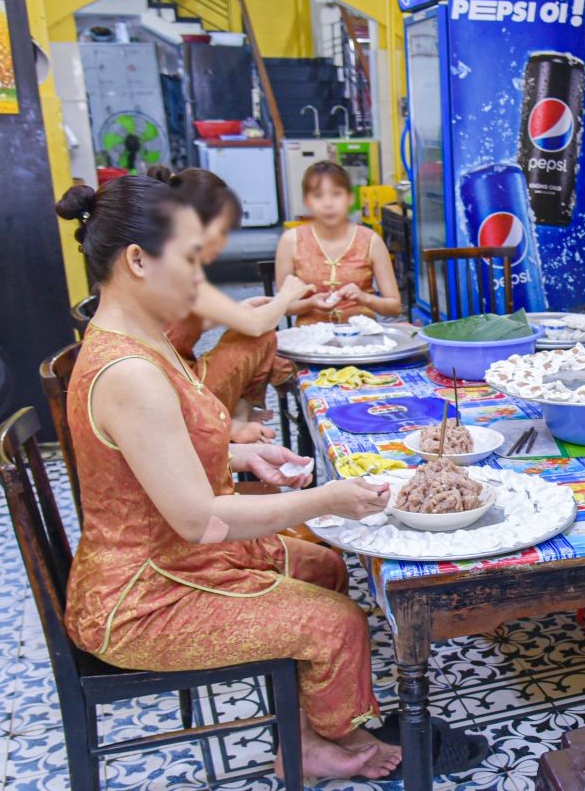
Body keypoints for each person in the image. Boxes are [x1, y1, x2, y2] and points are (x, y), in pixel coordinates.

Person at [55, 176, 401, 779]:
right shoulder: (127, 370)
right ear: (137, 259)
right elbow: (198, 519)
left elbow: (158, 454)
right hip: (141, 595)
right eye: (189, 257)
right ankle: (318, 742)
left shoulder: (146, 341)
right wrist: (326, 499)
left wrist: (242, 458)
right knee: (336, 621)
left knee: (323, 566)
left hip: (176, 559)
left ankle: (308, 729)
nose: (199, 277)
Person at [148, 167, 313, 444]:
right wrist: (286, 296)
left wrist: (239, 310)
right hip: (178, 391)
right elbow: (257, 325)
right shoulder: (177, 266)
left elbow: (182, 322)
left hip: (170, 379)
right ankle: (234, 419)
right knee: (261, 336)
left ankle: (239, 415)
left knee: (254, 334)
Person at [275, 161, 401, 325]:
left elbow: (394, 307)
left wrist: (365, 298)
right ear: (307, 201)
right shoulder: (290, 241)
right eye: (318, 196)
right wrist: (310, 303)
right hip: (309, 341)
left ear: (350, 198)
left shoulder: (371, 240)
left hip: (362, 340)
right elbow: (282, 306)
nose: (328, 204)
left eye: (336, 194)